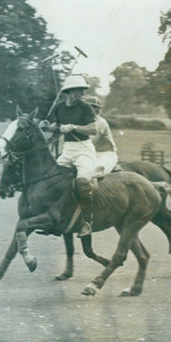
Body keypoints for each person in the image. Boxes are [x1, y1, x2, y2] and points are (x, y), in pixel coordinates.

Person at [40, 75, 101, 237]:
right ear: (68, 92)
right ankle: (54, 217)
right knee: (52, 179)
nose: (80, 94)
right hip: (68, 150)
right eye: (78, 91)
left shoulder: (85, 107)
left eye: (81, 91)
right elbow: (57, 126)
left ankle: (88, 222)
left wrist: (74, 127)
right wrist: (47, 127)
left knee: (82, 182)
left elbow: (93, 129)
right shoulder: (59, 107)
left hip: (83, 149)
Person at [84, 95, 119, 173]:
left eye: (94, 107)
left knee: (93, 173)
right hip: (92, 155)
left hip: (106, 155)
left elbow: (90, 141)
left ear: (98, 110)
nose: (91, 109)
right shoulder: (84, 121)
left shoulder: (100, 122)